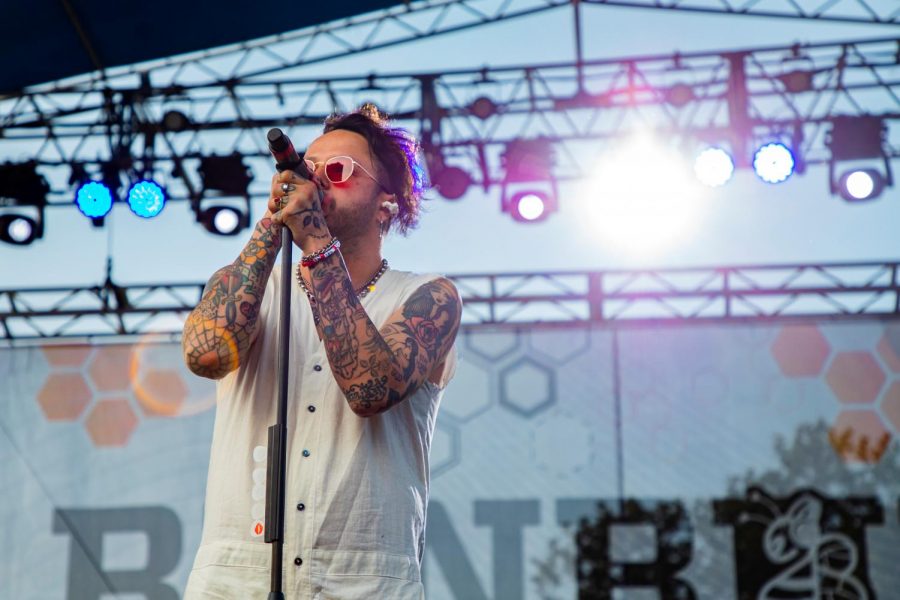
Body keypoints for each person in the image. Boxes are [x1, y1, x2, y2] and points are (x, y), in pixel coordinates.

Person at [181, 104, 461, 599]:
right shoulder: (251, 288)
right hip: (234, 580)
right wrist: (276, 220)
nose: (315, 184)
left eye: (338, 172)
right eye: (308, 172)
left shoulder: (429, 296)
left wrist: (315, 239)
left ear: (387, 203)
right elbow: (206, 357)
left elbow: (370, 388)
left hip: (364, 582)